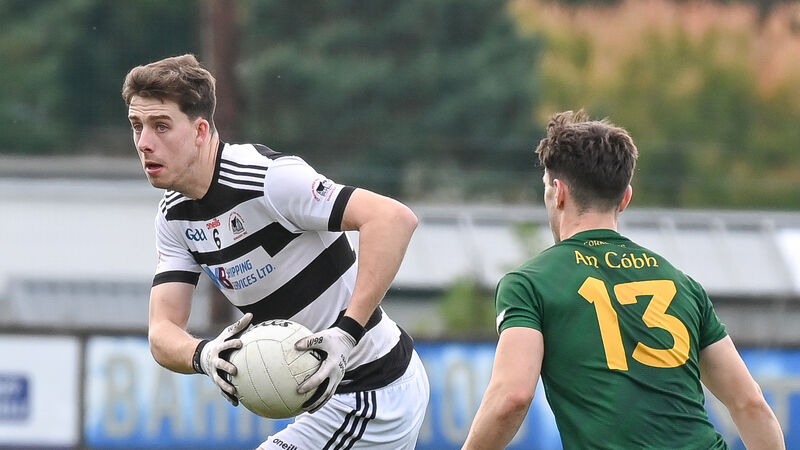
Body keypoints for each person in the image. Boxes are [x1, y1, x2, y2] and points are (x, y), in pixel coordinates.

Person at [122, 54, 429, 450]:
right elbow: (162, 332)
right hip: (325, 399)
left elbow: (393, 219)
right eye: (137, 126)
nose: (144, 143)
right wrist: (205, 353)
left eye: (161, 126)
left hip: (372, 387)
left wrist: (346, 334)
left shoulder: (267, 180)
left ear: (200, 131)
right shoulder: (173, 216)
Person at [462, 110, 784, 449]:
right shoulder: (682, 284)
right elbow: (750, 404)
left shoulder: (529, 284)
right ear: (625, 198)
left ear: (558, 193)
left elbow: (512, 396)